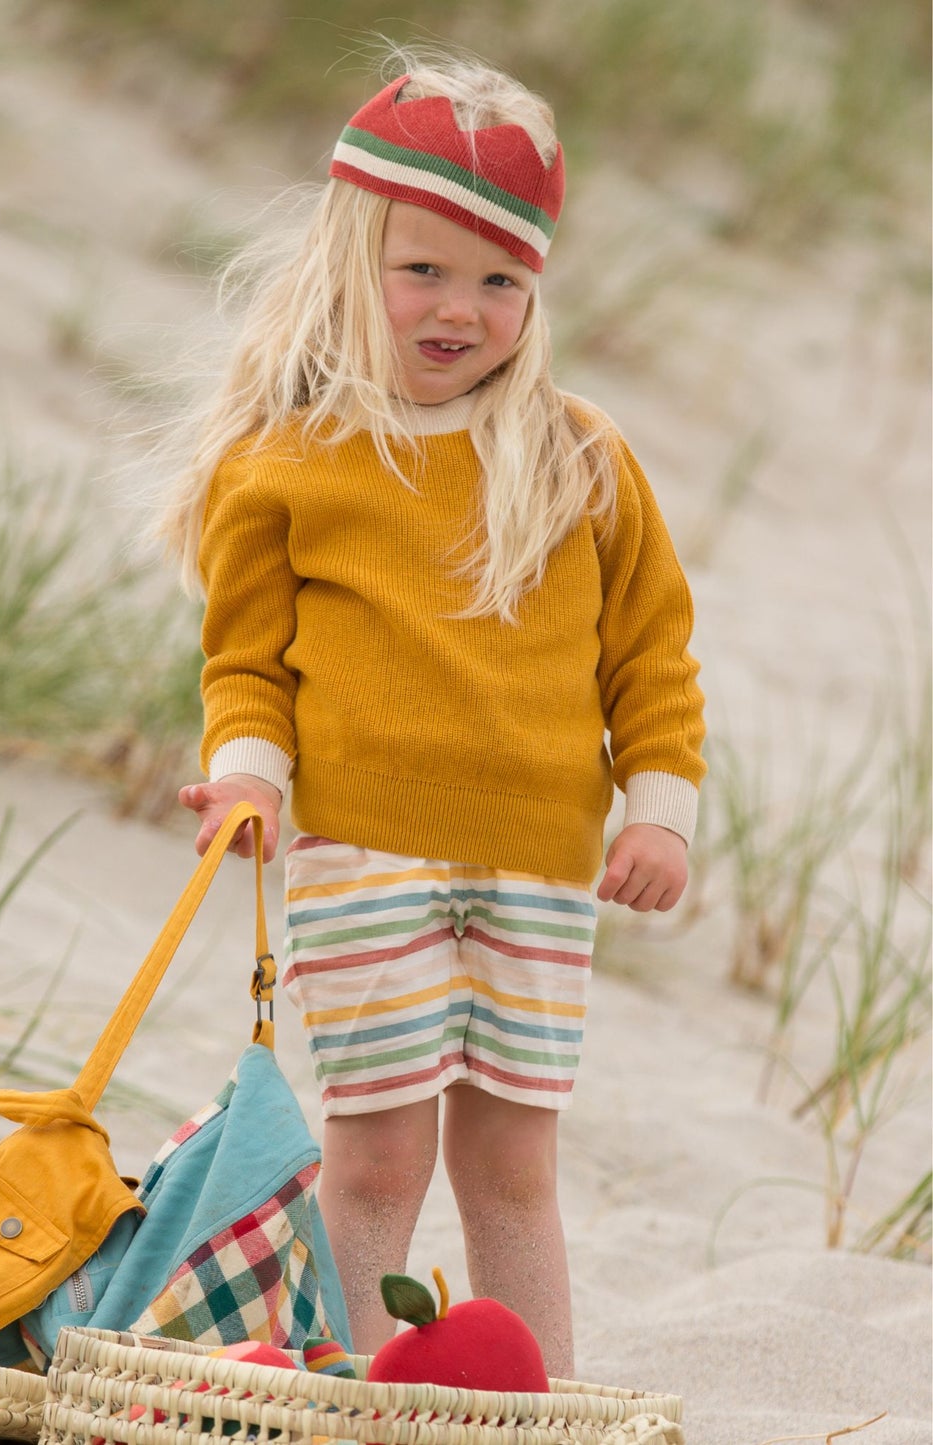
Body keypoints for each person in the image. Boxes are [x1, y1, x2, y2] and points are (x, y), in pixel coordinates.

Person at [159, 51, 707, 1378]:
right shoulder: (287, 461)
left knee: (513, 1156)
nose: (460, 308)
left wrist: (661, 811)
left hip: (534, 861)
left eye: (499, 279)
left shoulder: (577, 454)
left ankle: (542, 1395)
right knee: (378, 1145)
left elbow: (651, 652)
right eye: (424, 271)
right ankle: (362, 1385)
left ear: (535, 288)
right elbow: (249, 663)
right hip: (362, 847)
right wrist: (247, 778)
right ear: (355, 260)